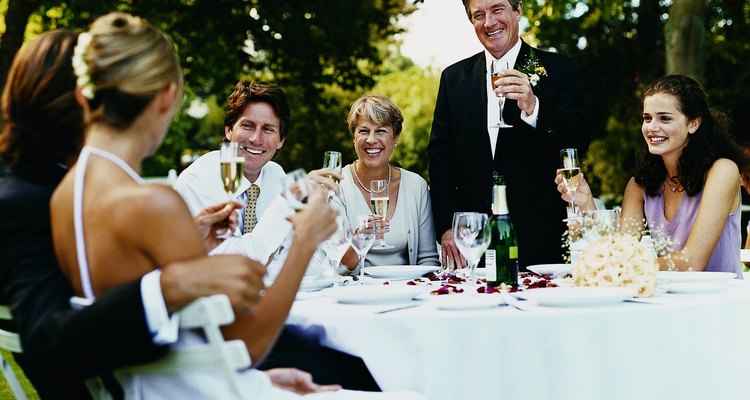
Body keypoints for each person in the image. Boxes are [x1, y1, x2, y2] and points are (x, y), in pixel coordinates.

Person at [50, 12, 421, 399]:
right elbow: (246, 344)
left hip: (169, 381)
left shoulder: (65, 195)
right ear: (165, 100)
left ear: (83, 95)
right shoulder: (152, 205)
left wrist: (263, 379)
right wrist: (304, 240)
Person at [0, 29, 267, 399]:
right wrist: (168, 285)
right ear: (79, 99)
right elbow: (50, 341)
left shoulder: (74, 185)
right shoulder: (25, 201)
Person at [174, 81, 380, 391]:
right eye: (247, 126)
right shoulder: (199, 179)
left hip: (276, 315)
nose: (256, 139)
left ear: (281, 140)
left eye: (268, 130)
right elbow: (237, 262)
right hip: (220, 335)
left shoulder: (276, 175)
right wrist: (290, 199)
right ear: (229, 130)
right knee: (351, 370)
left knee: (363, 356)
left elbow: (286, 256)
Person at [428, 0, 589, 271]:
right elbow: (440, 158)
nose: (489, 22)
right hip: (473, 242)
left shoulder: (559, 69)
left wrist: (533, 107)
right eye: (479, 14)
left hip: (541, 239)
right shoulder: (453, 78)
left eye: (497, 9)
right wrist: (446, 227)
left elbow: (577, 140)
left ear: (518, 10)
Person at [556, 74, 745, 276]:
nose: (652, 128)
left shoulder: (723, 170)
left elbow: (692, 261)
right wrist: (586, 204)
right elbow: (621, 250)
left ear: (693, 124)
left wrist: (631, 263)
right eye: (647, 118)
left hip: (720, 302)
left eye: (665, 118)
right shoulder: (639, 185)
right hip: (666, 300)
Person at [331, 94, 438, 274]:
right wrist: (361, 237)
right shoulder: (335, 185)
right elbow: (338, 259)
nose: (371, 140)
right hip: (353, 291)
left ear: (395, 137)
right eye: (363, 131)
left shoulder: (416, 186)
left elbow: (428, 259)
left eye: (381, 131)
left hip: (407, 290)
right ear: (353, 137)